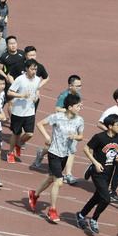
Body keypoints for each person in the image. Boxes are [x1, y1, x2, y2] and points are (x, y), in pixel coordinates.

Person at [27, 94, 84, 223]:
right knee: (58, 182)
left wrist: (75, 137)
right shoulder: (57, 117)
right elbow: (40, 124)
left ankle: (34, 195)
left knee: (51, 178)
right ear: (70, 107)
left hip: (65, 154)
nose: (79, 108)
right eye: (77, 106)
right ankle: (52, 210)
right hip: (54, 153)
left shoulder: (79, 120)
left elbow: (81, 136)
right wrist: (47, 137)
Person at [76, 113, 118, 234]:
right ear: (110, 126)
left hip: (109, 172)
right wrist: (95, 162)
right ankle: (94, 219)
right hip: (98, 172)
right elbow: (86, 149)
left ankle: (81, 214)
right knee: (106, 199)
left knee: (97, 197)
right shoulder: (100, 137)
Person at [34, 74, 82, 185]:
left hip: (72, 125)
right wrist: (68, 110)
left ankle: (68, 174)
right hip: (62, 125)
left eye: (80, 86)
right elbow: (57, 109)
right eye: (77, 86)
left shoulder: (78, 95)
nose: (79, 88)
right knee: (54, 146)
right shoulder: (63, 96)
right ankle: (41, 153)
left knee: (71, 149)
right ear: (70, 85)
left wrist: (78, 108)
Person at [6, 59, 41, 163]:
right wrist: (22, 95)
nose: (34, 71)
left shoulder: (37, 79)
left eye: (35, 69)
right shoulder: (20, 79)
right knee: (16, 134)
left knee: (30, 134)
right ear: (26, 68)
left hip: (30, 111)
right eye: (32, 69)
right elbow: (9, 92)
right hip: (18, 111)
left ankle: (19, 144)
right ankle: (10, 153)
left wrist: (37, 96)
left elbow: (37, 90)